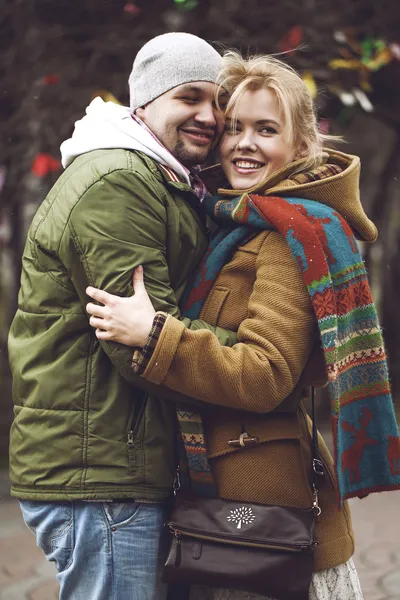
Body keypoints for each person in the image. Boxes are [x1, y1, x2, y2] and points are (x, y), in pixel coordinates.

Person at [86, 52, 400, 599]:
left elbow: (266, 373)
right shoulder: (241, 223)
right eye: (233, 128)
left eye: (265, 129)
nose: (242, 144)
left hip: (261, 514)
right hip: (231, 498)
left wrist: (156, 335)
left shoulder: (287, 237)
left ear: (301, 146)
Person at [7, 32, 240, 600]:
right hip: (102, 473)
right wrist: (256, 352)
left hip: (115, 465)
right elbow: (142, 343)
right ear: (145, 102)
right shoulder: (119, 182)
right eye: (189, 97)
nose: (208, 117)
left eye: (217, 103)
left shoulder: (158, 180)